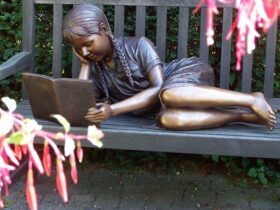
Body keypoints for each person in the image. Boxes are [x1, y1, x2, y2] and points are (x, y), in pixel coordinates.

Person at [62, 4, 277, 131]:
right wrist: (84, 66)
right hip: (164, 107)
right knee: (169, 120)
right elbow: (82, 107)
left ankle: (251, 99)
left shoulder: (138, 46)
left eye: (88, 44)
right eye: (78, 49)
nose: (84, 52)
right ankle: (241, 116)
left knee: (170, 94)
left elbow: (158, 89)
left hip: (182, 79)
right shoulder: (98, 71)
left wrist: (113, 110)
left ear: (103, 29)